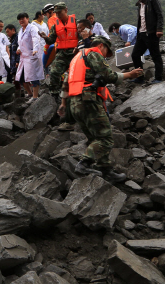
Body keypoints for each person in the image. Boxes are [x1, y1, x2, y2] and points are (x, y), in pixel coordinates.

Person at [58, 37, 144, 182]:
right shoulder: (93, 53)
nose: (105, 55)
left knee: (95, 139)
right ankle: (84, 164)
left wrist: (63, 104)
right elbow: (107, 75)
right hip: (88, 100)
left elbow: (66, 83)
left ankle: (106, 170)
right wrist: (129, 74)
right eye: (106, 52)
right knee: (105, 138)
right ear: (102, 46)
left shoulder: (76, 59)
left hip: (74, 103)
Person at [39, 2, 79, 100]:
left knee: (77, 73)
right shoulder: (55, 26)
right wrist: (45, 38)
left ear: (66, 10)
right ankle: (55, 94)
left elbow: (83, 38)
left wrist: (80, 48)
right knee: (54, 72)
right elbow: (51, 40)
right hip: (62, 53)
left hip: (75, 53)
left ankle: (78, 92)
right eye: (56, 13)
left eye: (59, 12)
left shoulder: (76, 22)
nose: (57, 15)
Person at [131, 0, 164, 84]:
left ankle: (158, 78)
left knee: (155, 55)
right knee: (135, 55)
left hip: (151, 33)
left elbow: (159, 14)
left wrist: (159, 29)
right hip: (141, 34)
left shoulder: (152, 0)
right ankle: (140, 77)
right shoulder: (140, 3)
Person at [16, 13, 44, 101]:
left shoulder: (32, 28)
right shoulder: (20, 31)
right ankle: (30, 94)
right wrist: (18, 48)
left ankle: (35, 97)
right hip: (24, 58)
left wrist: (35, 49)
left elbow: (35, 38)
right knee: (22, 78)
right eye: (19, 19)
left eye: (23, 18)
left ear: (27, 18)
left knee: (34, 77)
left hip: (32, 56)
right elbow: (20, 43)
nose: (21, 20)